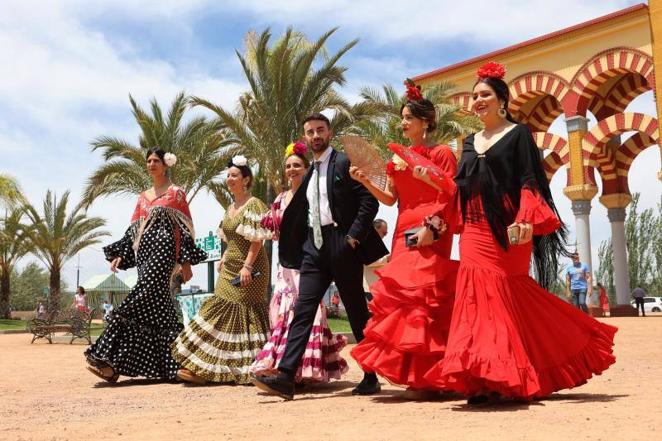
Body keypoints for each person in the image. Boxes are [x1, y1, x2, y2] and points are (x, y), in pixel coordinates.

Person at [422, 62, 617, 404]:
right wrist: (435, 223)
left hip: (509, 227)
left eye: (484, 95)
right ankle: (483, 377)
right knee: (476, 298)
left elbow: (530, 180)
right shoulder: (468, 142)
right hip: (473, 226)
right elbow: (460, 188)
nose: (477, 101)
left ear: (501, 100)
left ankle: (515, 368)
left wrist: (527, 219)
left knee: (503, 295)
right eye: (475, 96)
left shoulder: (519, 134)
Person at [251, 113, 388, 400]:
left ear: (329, 132)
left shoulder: (344, 162)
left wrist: (352, 237)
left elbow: (368, 202)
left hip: (342, 242)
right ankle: (286, 376)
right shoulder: (310, 171)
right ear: (305, 137)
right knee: (303, 309)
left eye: (320, 130)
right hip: (314, 248)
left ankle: (370, 374)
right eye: (310, 132)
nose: (315, 135)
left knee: (355, 311)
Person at [349, 79, 458, 399]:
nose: (403, 123)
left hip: (431, 227)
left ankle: (439, 373)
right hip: (402, 231)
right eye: (403, 117)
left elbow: (451, 195)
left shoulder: (442, 153)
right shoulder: (397, 159)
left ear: (426, 121)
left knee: (429, 297)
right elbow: (390, 200)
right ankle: (418, 376)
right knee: (406, 300)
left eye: (409, 117)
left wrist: (432, 229)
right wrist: (367, 181)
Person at [85, 148, 207, 383]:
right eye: (148, 161)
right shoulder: (143, 196)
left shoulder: (176, 193)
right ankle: (177, 364)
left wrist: (186, 262)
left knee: (141, 294)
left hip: (164, 251)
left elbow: (184, 229)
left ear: (166, 165)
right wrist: (121, 254)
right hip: (144, 253)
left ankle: (105, 357)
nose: (151, 164)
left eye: (156, 161)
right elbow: (133, 231)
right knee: (160, 308)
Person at [250, 142, 349, 383]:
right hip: (286, 266)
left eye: (296, 165)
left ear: (306, 169)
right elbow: (268, 231)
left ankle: (305, 371)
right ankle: (283, 368)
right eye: (288, 166)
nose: (292, 169)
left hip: (309, 261)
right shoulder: (281, 199)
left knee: (306, 311)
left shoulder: (312, 195)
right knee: (285, 313)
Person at [173, 156, 271, 385]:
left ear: (246, 179)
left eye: (234, 175)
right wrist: (225, 256)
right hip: (230, 267)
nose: (229, 179)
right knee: (219, 309)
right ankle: (204, 367)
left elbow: (257, 241)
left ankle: (254, 366)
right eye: (228, 176)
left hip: (252, 267)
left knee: (239, 313)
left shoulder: (254, 204)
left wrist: (247, 266)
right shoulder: (230, 208)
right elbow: (232, 238)